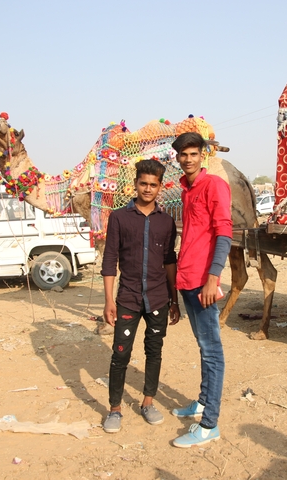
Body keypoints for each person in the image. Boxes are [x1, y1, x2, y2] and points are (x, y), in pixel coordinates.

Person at [100, 159, 181, 433]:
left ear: (160, 187)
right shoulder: (120, 218)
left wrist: (174, 300)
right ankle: (114, 409)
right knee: (120, 354)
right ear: (135, 184)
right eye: (143, 183)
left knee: (154, 351)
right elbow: (110, 259)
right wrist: (109, 300)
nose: (148, 189)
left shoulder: (166, 222)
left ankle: (148, 402)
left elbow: (170, 261)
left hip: (158, 298)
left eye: (153, 185)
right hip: (128, 298)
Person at [170, 132, 232, 448]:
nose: (189, 159)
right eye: (184, 155)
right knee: (202, 345)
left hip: (204, 281)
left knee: (212, 350)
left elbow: (224, 234)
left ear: (202, 155)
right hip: (187, 279)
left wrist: (214, 277)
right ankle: (203, 403)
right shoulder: (186, 189)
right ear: (178, 158)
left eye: (194, 153)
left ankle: (209, 426)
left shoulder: (214, 186)